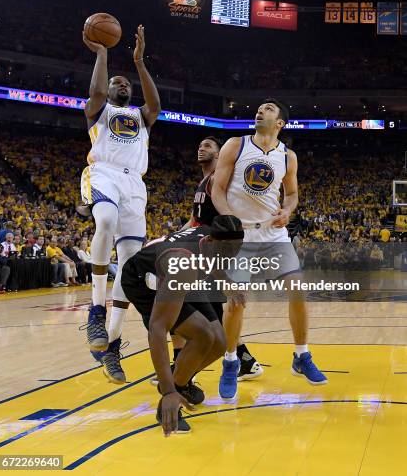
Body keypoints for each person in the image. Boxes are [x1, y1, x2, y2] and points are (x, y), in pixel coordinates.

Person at [212, 99, 327, 400]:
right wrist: (228, 217)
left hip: (274, 235)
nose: (260, 110)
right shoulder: (235, 145)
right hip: (242, 237)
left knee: (298, 289)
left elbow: (291, 194)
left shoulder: (288, 157)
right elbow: (217, 188)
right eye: (259, 107)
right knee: (236, 302)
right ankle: (231, 361)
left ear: (280, 123)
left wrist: (287, 211)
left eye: (268, 109)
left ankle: (301, 356)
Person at [80, 24, 160, 384]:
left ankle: (110, 346)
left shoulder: (141, 118)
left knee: (129, 265)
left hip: (135, 184)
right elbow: (97, 89)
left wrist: (140, 62)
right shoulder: (99, 111)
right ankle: (96, 308)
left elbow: (155, 104)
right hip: (104, 173)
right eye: (117, 83)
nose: (122, 85)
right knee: (106, 220)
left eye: (126, 84)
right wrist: (102, 55)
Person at [121, 215, 244, 435]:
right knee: (203, 336)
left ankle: (181, 383)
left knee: (220, 341)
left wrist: (227, 283)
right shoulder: (184, 264)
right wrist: (168, 391)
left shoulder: (215, 237)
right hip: (143, 280)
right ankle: (169, 399)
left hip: (181, 274)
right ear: (211, 242)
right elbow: (157, 329)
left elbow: (215, 260)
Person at [171, 136, 263, 382]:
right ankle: (243, 360)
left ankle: (182, 364)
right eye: (200, 145)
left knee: (194, 309)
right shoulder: (203, 182)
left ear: (220, 153)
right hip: (199, 249)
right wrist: (170, 239)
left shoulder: (223, 181)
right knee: (203, 309)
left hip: (213, 252)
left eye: (208, 146)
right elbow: (193, 221)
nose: (201, 148)